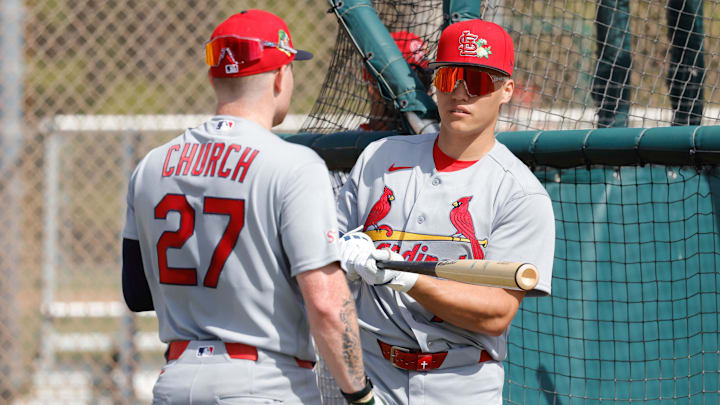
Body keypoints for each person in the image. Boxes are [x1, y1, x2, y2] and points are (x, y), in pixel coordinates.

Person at [121, 9, 383, 404]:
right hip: (262, 383)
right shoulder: (294, 164)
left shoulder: (152, 165)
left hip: (175, 379)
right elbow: (327, 303)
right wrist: (360, 394)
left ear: (214, 76)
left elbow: (137, 293)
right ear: (280, 76)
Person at [336, 19, 555, 404]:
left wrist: (404, 279)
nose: (460, 92)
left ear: (506, 90)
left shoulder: (520, 193)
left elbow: (496, 313)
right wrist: (340, 251)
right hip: (372, 373)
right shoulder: (380, 158)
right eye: (450, 75)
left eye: (478, 80)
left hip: (460, 381)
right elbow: (324, 255)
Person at [359, 31, 433, 132]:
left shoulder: (438, 138)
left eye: (425, 82)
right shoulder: (355, 144)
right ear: (373, 88)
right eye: (408, 86)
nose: (424, 94)